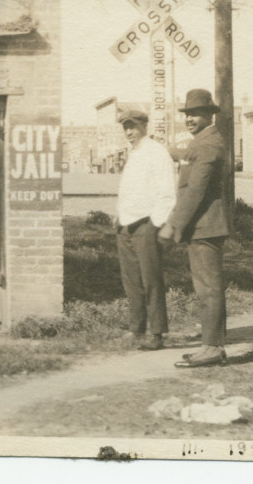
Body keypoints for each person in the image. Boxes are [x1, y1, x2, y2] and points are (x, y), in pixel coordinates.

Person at [158, 89, 234, 368]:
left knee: (208, 290)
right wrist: (168, 150)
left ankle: (212, 348)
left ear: (209, 115)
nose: (189, 119)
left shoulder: (208, 144)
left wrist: (173, 224)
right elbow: (189, 156)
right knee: (207, 288)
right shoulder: (204, 141)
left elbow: (195, 190)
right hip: (203, 227)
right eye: (187, 114)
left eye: (195, 114)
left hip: (206, 227)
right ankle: (213, 345)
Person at [114, 110, 177, 351]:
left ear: (144, 126)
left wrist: (155, 224)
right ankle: (136, 329)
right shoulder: (134, 153)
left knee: (151, 279)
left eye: (133, 126)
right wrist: (118, 215)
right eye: (125, 127)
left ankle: (157, 333)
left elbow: (167, 194)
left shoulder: (157, 153)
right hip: (125, 225)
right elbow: (129, 190)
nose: (129, 132)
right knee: (131, 280)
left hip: (145, 226)